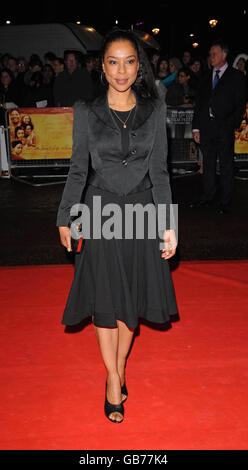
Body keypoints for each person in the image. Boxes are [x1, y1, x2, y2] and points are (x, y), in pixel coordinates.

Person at [56, 28, 179, 424]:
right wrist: (66, 216)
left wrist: (168, 223)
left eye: (129, 62)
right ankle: (113, 378)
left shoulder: (154, 109)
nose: (122, 70)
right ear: (103, 67)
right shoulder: (87, 111)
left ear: (138, 66)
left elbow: (160, 171)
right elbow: (78, 170)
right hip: (99, 214)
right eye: (113, 62)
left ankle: (119, 365)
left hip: (142, 214)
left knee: (131, 306)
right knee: (105, 302)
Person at [190, 40, 246, 214]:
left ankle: (225, 201)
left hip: (224, 128)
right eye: (210, 54)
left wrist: (231, 124)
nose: (211, 57)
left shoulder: (236, 76)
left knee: (226, 164)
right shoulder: (206, 76)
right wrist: (196, 128)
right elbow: (199, 104)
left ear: (224, 54)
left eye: (214, 54)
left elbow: (240, 104)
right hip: (206, 128)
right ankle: (208, 197)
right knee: (208, 163)